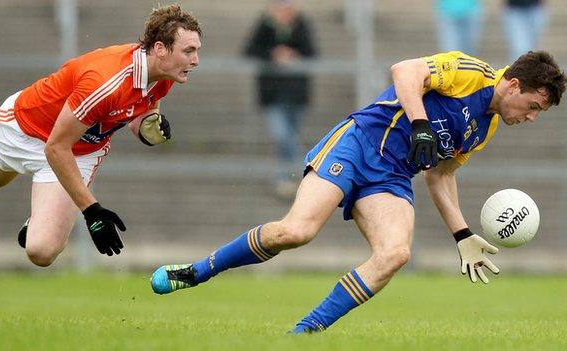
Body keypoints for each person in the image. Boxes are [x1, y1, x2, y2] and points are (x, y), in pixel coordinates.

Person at [150, 50, 566, 333]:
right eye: (533, 107)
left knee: (395, 253)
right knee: (296, 232)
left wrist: (461, 234)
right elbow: (405, 70)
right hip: (358, 143)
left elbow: (440, 175)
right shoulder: (471, 72)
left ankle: (304, 332)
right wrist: (420, 123)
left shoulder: (486, 127)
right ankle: (197, 272)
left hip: (391, 176)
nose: (530, 118)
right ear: (513, 85)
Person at [0, 4, 202, 267]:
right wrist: (92, 211)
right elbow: (55, 147)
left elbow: (139, 116)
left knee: (41, 252)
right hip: (26, 128)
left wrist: (150, 127)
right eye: (188, 51)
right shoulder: (106, 82)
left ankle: (41, 220)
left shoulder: (165, 75)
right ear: (159, 48)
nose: (195, 60)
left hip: (80, 150)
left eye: (196, 50)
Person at [244, 0, 317, 199]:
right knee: (283, 136)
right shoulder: (265, 25)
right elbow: (250, 50)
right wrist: (273, 54)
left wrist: (293, 55)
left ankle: (286, 176)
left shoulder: (301, 25)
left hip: (296, 94)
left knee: (290, 135)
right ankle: (299, 172)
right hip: (272, 94)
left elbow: (312, 52)